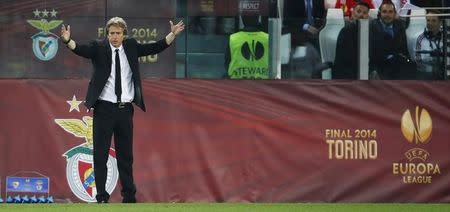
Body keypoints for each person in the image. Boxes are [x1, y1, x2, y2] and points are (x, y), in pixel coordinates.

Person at [60, 17, 185, 203]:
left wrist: (172, 35)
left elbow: (154, 47)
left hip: (125, 110)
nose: (115, 37)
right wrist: (68, 41)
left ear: (124, 34)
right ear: (107, 34)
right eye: (111, 33)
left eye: (118, 33)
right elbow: (82, 50)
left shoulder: (132, 46)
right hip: (103, 109)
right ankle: (101, 197)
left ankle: (129, 197)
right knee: (100, 155)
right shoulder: (99, 48)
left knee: (125, 156)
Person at [369, 1, 415, 79]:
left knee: (412, 66)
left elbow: (404, 48)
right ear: (380, 13)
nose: (387, 15)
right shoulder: (372, 26)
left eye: (390, 12)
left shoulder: (399, 25)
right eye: (384, 12)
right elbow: (370, 52)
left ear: (394, 14)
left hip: (397, 63)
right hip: (379, 64)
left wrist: (408, 61)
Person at [333, 1, 371, 79]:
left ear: (368, 16)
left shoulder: (369, 31)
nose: (361, 15)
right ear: (353, 14)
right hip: (347, 75)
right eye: (359, 11)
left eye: (365, 13)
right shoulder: (346, 31)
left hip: (363, 72)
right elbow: (349, 59)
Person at [415, 10, 444, 80]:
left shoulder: (446, 37)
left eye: (434, 21)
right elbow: (418, 61)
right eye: (428, 20)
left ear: (440, 23)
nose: (430, 23)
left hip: (444, 74)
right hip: (426, 75)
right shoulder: (420, 38)